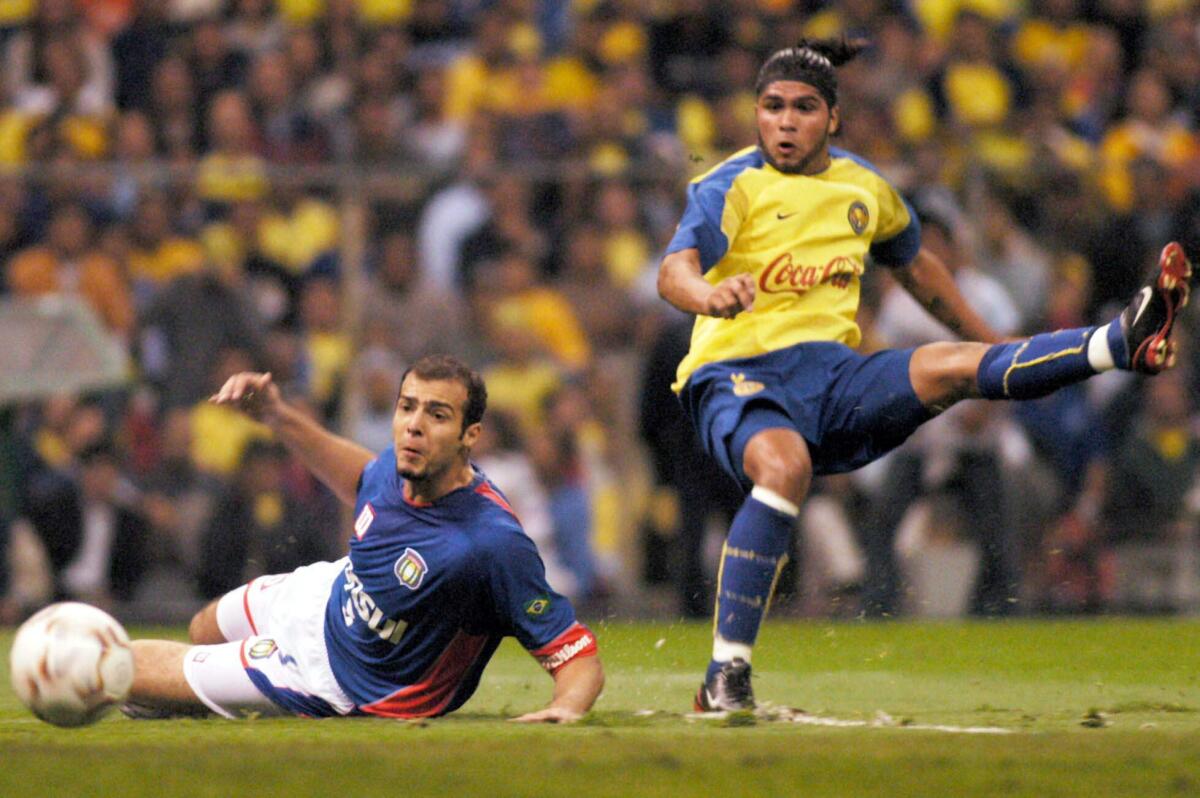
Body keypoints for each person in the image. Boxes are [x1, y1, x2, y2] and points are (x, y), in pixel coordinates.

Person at [655, 38, 1193, 712]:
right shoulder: (730, 183)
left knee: (955, 365)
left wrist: (992, 344)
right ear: (756, 114)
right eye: (771, 107)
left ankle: (1122, 343)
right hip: (737, 372)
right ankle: (725, 677)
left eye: (802, 108)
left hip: (832, 377)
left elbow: (918, 268)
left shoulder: (864, 187)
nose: (785, 122)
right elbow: (672, 269)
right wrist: (707, 295)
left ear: (834, 118)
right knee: (784, 467)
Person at [126, 355, 604, 722]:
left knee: (127, 672)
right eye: (407, 407)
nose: (414, 424)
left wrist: (567, 707)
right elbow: (361, 478)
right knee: (202, 628)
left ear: (469, 434)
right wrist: (275, 412)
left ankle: (94, 671)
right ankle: (198, 695)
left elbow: (575, 654)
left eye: (437, 414)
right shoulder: (402, 467)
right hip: (327, 595)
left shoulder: (490, 544)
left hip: (336, 681)